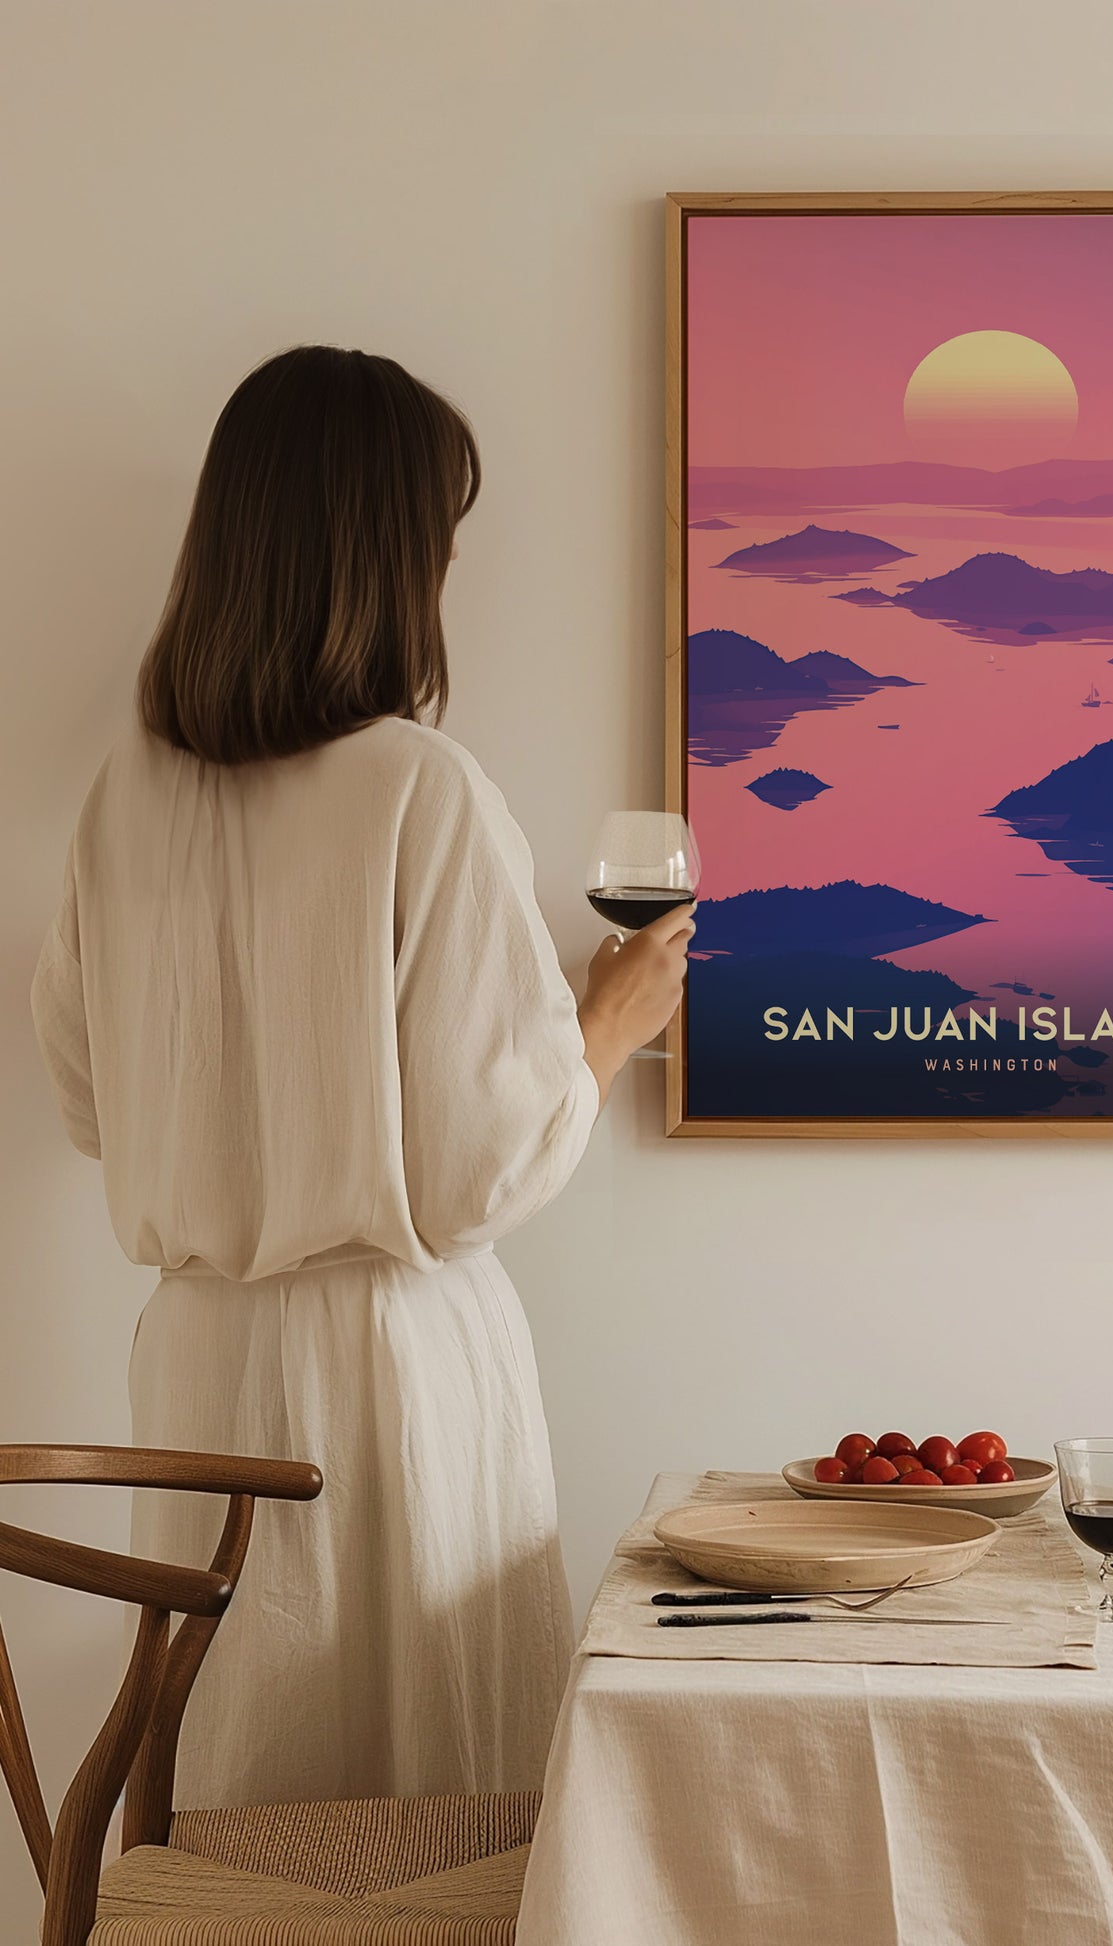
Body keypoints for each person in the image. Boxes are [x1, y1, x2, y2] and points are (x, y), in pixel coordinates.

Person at [29, 345, 689, 1806]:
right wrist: (606, 1020)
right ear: (388, 557)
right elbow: (474, 1173)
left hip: (198, 1361)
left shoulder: (123, 797)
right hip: (390, 1371)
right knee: (422, 1809)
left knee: (241, 1787)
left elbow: (87, 1101)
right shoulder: (417, 785)